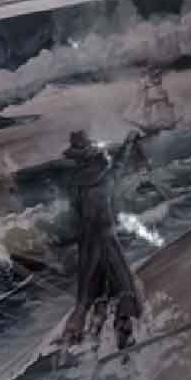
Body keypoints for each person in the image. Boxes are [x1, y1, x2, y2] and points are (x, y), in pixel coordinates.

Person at [60, 126, 146, 350]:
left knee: (86, 296)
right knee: (124, 286)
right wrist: (129, 141)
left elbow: (76, 214)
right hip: (106, 237)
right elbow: (121, 164)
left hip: (87, 241)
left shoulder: (73, 184)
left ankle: (76, 336)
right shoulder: (106, 173)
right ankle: (122, 337)